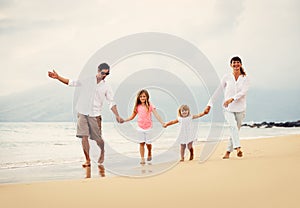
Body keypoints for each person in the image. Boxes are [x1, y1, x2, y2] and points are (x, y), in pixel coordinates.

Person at [48, 63, 124, 168]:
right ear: (98, 70)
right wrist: (58, 77)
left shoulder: (106, 87)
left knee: (98, 139)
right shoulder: (87, 80)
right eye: (103, 73)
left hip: (95, 115)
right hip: (82, 112)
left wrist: (117, 115)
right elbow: (71, 82)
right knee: (84, 136)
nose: (104, 75)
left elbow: (111, 102)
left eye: (107, 74)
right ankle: (87, 160)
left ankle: (102, 150)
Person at [204, 56, 250, 159]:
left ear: (241, 64)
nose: (236, 65)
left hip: (240, 109)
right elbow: (218, 91)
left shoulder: (245, 78)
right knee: (232, 127)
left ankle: (228, 152)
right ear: (231, 65)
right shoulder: (227, 77)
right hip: (228, 109)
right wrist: (209, 105)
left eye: (238, 63)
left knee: (235, 131)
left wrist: (231, 99)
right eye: (234, 63)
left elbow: (243, 93)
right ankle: (238, 148)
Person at [124, 89, 164, 165]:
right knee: (141, 143)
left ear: (147, 97)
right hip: (140, 127)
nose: (142, 98)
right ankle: (142, 159)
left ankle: (149, 152)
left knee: (148, 144)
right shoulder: (137, 107)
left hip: (148, 127)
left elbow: (156, 114)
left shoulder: (150, 105)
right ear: (139, 97)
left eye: (144, 96)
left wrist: (162, 123)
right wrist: (124, 120)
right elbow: (132, 117)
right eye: (141, 96)